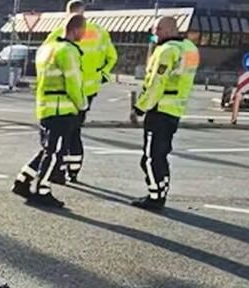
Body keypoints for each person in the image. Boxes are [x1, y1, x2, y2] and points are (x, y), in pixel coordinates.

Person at [12, 14, 87, 209]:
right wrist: (82, 105)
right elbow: (74, 83)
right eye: (83, 30)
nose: (84, 34)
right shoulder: (69, 51)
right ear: (77, 30)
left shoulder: (47, 49)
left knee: (48, 149)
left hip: (45, 106)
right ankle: (42, 189)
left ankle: (23, 180)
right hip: (62, 109)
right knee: (55, 152)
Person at [129, 16, 199, 211]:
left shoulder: (166, 51)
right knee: (161, 155)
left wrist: (139, 108)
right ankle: (161, 190)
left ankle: (155, 197)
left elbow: (156, 84)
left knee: (151, 157)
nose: (155, 34)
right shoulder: (190, 49)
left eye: (157, 30)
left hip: (159, 109)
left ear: (166, 30)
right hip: (175, 110)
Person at [45, 0, 116, 182]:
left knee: (63, 131)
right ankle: (74, 169)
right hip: (89, 89)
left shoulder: (60, 32)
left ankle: (58, 170)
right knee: (75, 129)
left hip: (67, 90)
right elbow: (112, 57)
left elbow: (46, 56)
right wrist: (103, 76)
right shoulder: (100, 32)